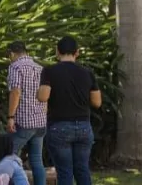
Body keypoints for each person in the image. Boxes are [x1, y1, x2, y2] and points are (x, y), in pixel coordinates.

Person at [37, 36, 102, 185]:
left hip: (59, 126)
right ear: (77, 52)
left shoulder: (49, 71)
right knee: (82, 169)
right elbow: (97, 102)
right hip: (84, 126)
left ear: (57, 52)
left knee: (64, 171)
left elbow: (43, 96)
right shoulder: (87, 73)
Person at [6, 41, 47, 185]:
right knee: (36, 159)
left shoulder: (15, 67)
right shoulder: (40, 68)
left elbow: (15, 91)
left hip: (24, 121)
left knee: (10, 156)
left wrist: (10, 116)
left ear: (11, 53)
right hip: (40, 122)